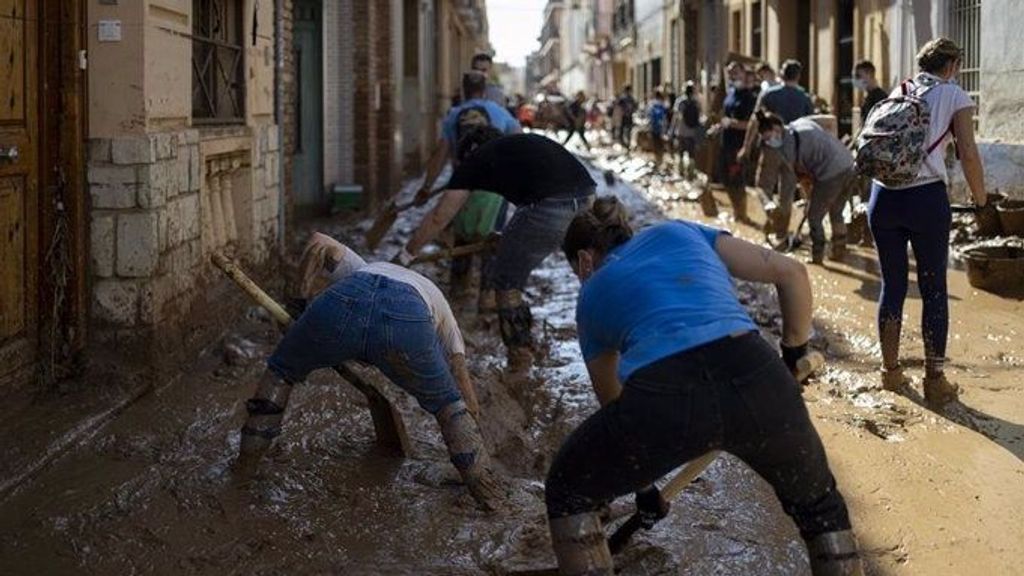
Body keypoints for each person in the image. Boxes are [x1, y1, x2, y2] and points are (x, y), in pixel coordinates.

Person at [545, 197, 862, 576]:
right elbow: (792, 273)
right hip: (760, 379)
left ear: (584, 260)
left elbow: (613, 403)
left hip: (665, 399)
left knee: (567, 490)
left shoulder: (592, 292)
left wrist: (644, 490)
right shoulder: (681, 231)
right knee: (821, 509)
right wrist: (794, 356)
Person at [235, 233, 504, 510]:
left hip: (339, 305)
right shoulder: (442, 311)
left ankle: (243, 472)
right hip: (407, 322)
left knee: (281, 372)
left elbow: (316, 242)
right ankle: (488, 493)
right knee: (449, 405)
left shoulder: (363, 267)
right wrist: (471, 427)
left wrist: (298, 303)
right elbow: (464, 387)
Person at [400, 131, 596, 371]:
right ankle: (603, 330)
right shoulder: (511, 147)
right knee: (588, 270)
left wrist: (406, 255)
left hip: (550, 207)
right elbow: (527, 211)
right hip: (586, 196)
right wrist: (509, 240)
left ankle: (520, 359)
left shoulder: (472, 163)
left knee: (505, 282)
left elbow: (439, 217)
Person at [867, 38, 988, 406]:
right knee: (934, 289)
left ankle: (890, 373)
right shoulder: (954, 95)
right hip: (925, 199)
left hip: (883, 197)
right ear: (951, 64)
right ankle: (935, 382)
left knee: (893, 285)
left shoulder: (899, 89)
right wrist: (981, 200)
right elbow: (967, 153)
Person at [416, 71, 521, 310]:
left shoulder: (454, 115)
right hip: (495, 188)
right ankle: (487, 296)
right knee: (493, 240)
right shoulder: (499, 112)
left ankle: (458, 294)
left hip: (462, 184)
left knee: (462, 238)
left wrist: (426, 188)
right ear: (484, 90)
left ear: (463, 90)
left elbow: (441, 155)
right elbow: (519, 143)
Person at [756, 111, 854, 263]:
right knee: (836, 212)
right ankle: (839, 252)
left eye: (769, 138)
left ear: (777, 129)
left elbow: (797, 180)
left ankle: (817, 257)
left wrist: (810, 197)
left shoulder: (787, 149)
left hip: (830, 174)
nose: (770, 142)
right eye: (766, 140)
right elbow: (830, 122)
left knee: (814, 217)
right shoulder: (801, 122)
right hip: (849, 164)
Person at [741, 59, 816, 238]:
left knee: (763, 186)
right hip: (793, 151)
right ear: (798, 76)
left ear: (782, 74)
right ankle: (781, 233)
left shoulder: (769, 94)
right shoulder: (804, 98)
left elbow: (755, 120)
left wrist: (747, 145)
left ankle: (769, 209)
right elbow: (810, 126)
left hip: (770, 147)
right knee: (787, 193)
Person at [715, 62, 758, 222]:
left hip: (739, 146)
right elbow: (725, 117)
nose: (733, 76)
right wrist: (719, 126)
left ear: (744, 75)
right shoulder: (730, 94)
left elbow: (752, 124)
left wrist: (733, 124)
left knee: (737, 180)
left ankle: (743, 215)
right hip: (725, 143)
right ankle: (736, 212)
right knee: (725, 178)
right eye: (731, 73)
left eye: (736, 73)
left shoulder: (750, 98)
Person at [670, 81, 703, 164]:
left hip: (681, 131)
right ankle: (690, 172)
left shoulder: (680, 102)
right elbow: (699, 116)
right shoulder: (696, 102)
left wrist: (671, 130)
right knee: (691, 154)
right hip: (692, 132)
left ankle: (681, 171)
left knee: (680, 153)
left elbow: (675, 117)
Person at [853, 60, 888, 126]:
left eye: (858, 76)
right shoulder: (868, 97)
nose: (856, 80)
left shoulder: (880, 98)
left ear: (869, 74)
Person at [647, 90, 669, 166]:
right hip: (661, 128)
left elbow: (649, 117)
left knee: (655, 144)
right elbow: (665, 117)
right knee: (661, 145)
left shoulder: (651, 104)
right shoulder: (663, 105)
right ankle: (661, 160)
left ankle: (657, 160)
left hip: (653, 128)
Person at [614, 85, 638, 149]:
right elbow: (635, 106)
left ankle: (626, 144)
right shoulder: (629, 98)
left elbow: (617, 106)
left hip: (625, 116)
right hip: (627, 116)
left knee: (625, 131)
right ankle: (626, 144)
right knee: (627, 131)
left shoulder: (625, 98)